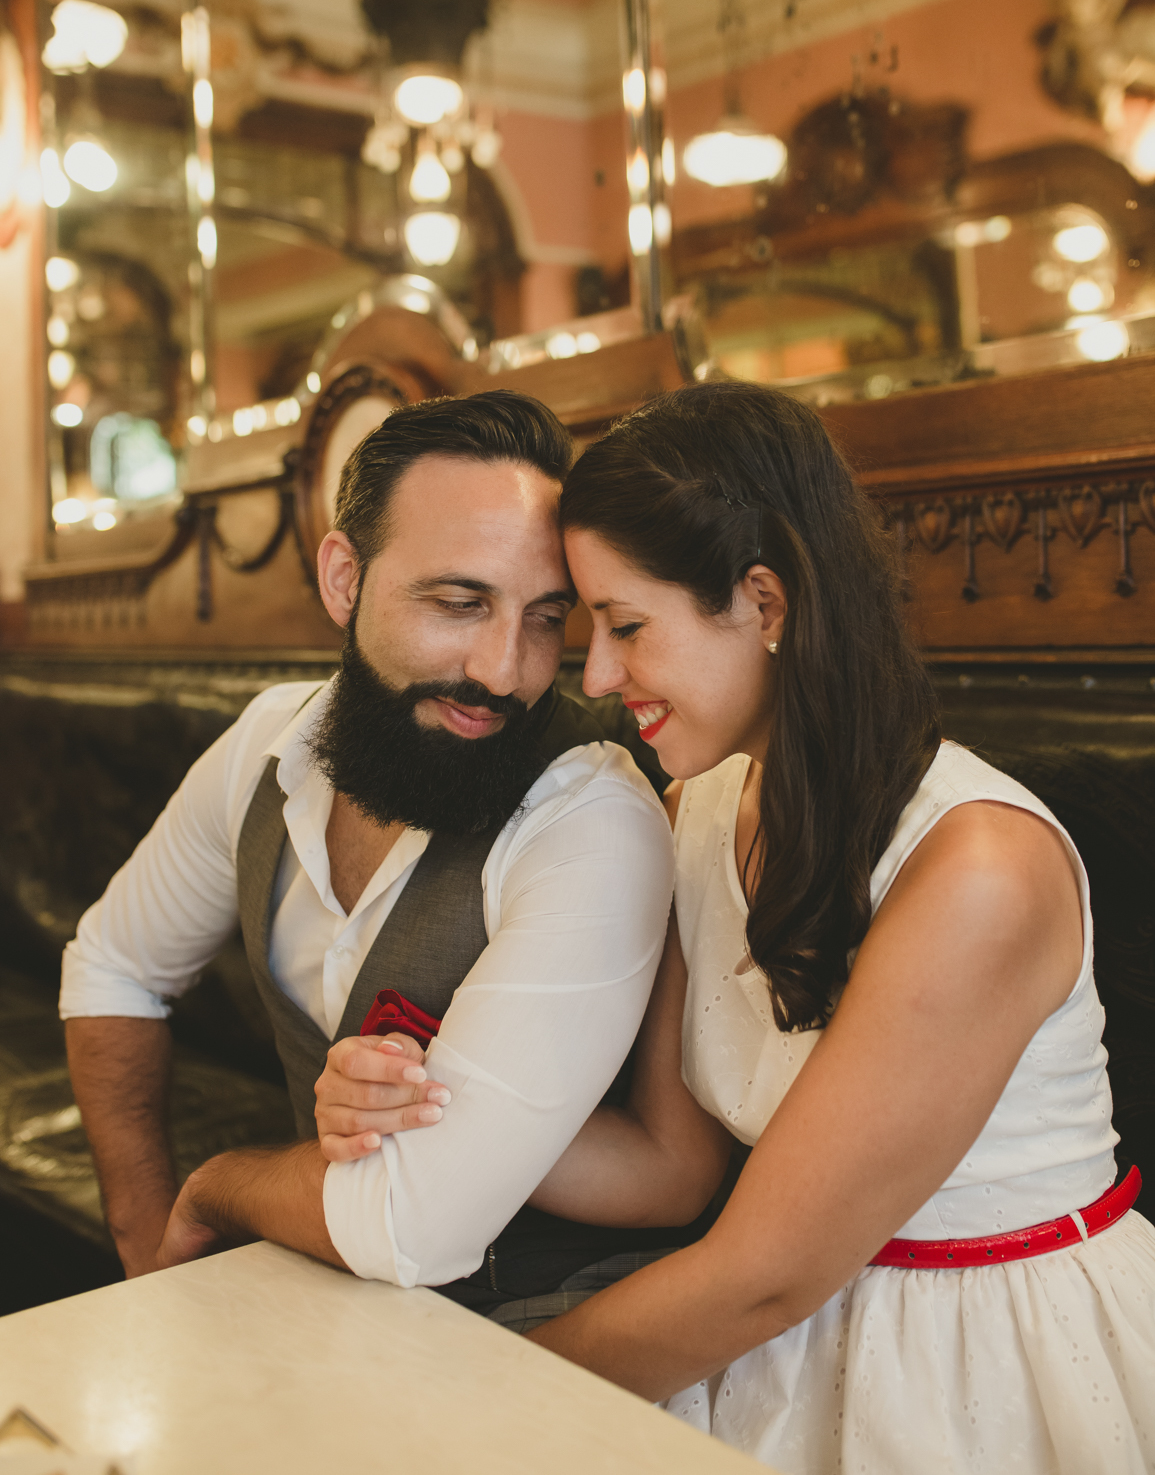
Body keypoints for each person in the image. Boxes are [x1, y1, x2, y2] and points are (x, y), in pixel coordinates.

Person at [317, 382, 1155, 1474]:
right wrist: (418, 1096)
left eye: (624, 626)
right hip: (773, 1332)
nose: (597, 676)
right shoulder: (700, 808)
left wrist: (473, 1398)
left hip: (976, 1360)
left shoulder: (979, 871)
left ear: (764, 603)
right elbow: (674, 1168)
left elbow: (766, 1271)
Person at [59, 388, 685, 1310]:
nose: (502, 671)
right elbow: (114, 967)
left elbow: (413, 1227)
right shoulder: (266, 748)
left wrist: (220, 1183)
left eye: (546, 618)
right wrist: (145, 1258)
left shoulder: (588, 812)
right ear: (344, 579)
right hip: (319, 1293)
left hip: (540, 1337)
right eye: (459, 602)